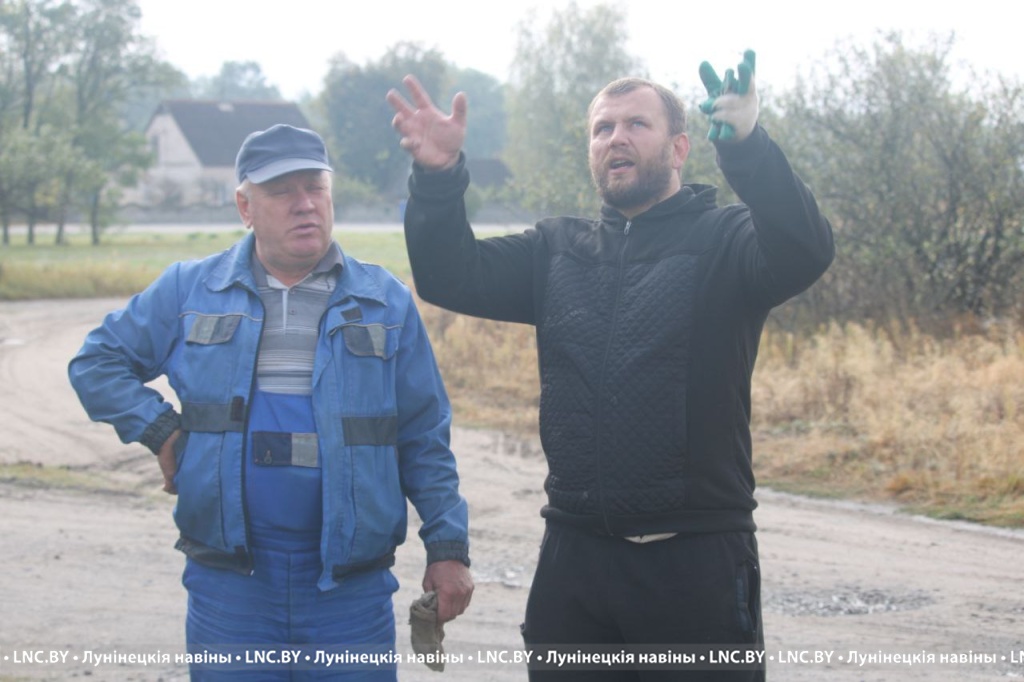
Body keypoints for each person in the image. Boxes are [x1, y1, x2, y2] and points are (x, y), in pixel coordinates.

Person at [387, 51, 833, 681]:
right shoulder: (555, 251)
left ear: (679, 149)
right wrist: (437, 176)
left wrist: (748, 147)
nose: (616, 137)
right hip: (575, 565)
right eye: (603, 128)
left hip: (695, 564)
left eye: (636, 124)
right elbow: (448, 274)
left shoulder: (725, 241)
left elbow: (805, 249)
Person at [68, 124, 473, 680]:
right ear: (245, 207)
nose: (305, 204)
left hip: (349, 596)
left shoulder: (385, 302)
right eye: (282, 191)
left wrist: (448, 547)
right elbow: (96, 363)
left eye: (316, 187)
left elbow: (424, 437)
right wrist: (159, 428)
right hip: (232, 591)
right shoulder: (190, 290)